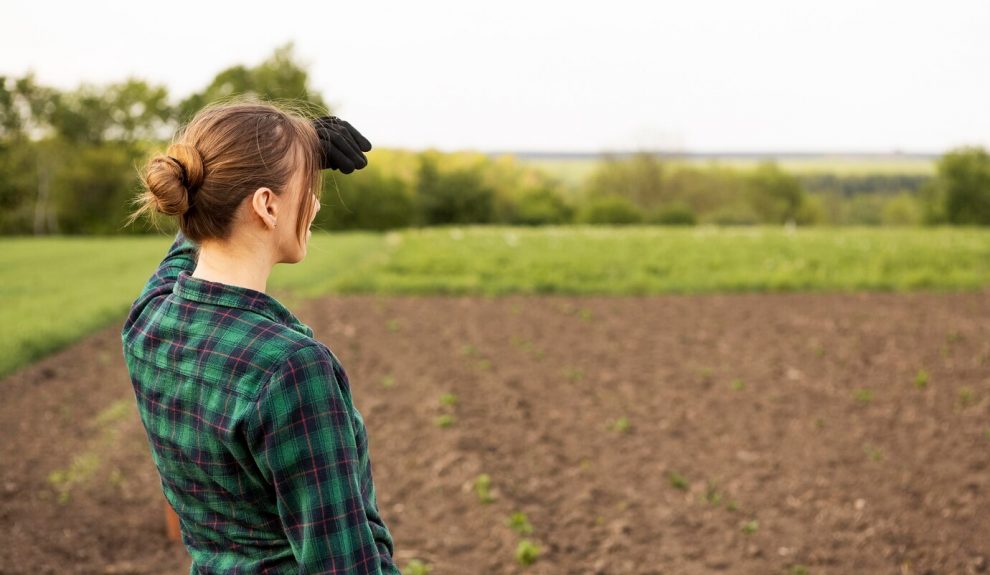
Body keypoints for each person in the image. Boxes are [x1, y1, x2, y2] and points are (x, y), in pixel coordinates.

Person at [119, 99, 401, 574]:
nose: (314, 203)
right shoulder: (290, 368)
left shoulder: (149, 321)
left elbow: (188, 243)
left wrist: (295, 144)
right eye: (307, 187)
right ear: (267, 205)